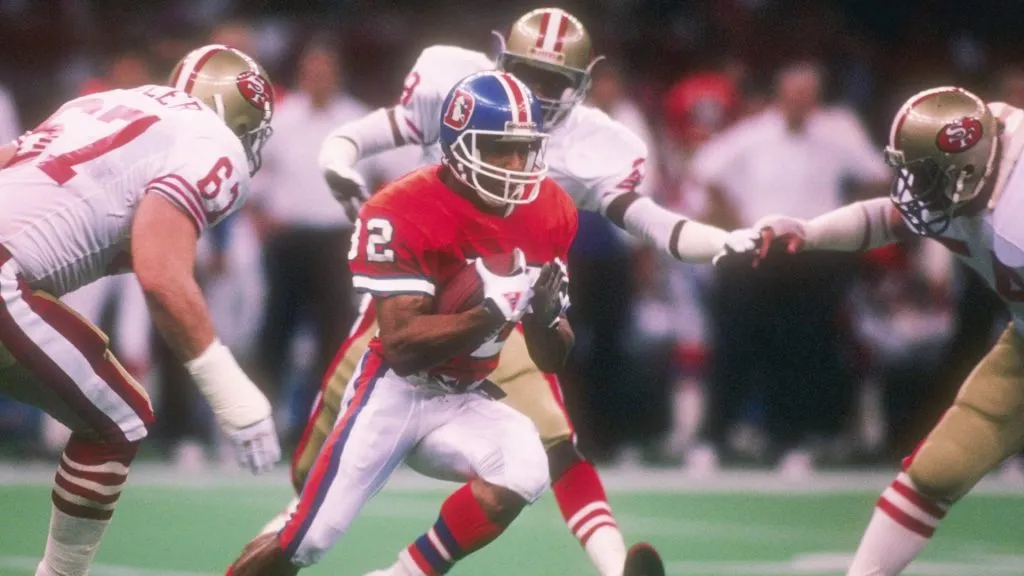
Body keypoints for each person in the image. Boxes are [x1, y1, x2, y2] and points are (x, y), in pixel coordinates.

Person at [272, 9, 759, 575]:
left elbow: (648, 220)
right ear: (501, 59)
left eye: (557, 82)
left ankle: (612, 565)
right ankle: (285, 540)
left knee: (553, 442)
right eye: (530, 75)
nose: (540, 93)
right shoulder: (456, 87)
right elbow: (357, 136)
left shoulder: (592, 144)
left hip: (508, 300)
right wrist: (340, 168)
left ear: (584, 83)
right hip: (416, 300)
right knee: (316, 473)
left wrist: (725, 240)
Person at [227, 70, 575, 576]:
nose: (517, 164)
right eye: (501, 148)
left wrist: (545, 316)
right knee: (306, 540)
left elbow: (551, 356)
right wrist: (493, 312)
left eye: (525, 149)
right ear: (459, 145)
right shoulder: (403, 207)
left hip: (465, 397)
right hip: (392, 392)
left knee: (524, 470)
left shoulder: (550, 211)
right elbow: (403, 345)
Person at [0, 44, 281, 576]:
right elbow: (161, 272)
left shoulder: (103, 103)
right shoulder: (214, 143)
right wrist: (231, 391)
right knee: (120, 421)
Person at [731, 86, 1024, 575]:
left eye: (925, 174)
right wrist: (808, 232)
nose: (912, 185)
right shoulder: (975, 164)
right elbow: (891, 218)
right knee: (937, 469)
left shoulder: (1014, 215)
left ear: (969, 170)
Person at [691, 61, 889, 471]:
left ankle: (791, 441)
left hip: (811, 255)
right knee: (734, 345)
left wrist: (844, 224)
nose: (800, 103)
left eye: (808, 95)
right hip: (755, 251)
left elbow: (877, 175)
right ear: (780, 95)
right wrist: (736, 219)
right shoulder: (753, 134)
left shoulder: (837, 134)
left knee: (801, 349)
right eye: (793, 94)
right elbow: (705, 170)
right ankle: (713, 438)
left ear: (816, 98)